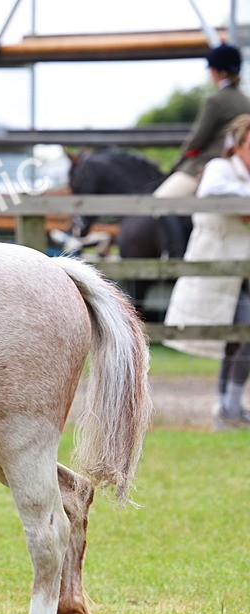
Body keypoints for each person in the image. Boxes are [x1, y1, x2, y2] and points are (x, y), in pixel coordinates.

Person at [163, 113, 250, 429]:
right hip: (217, 267)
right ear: (239, 143)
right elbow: (213, 193)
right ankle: (229, 409)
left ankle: (229, 409)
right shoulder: (219, 168)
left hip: (242, 273)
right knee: (239, 335)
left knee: (239, 336)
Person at [153, 43, 250, 257]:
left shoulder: (215, 100)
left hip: (206, 165)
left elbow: (197, 139)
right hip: (238, 167)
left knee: (158, 202)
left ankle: (176, 256)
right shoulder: (246, 100)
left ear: (217, 71)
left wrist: (178, 163)